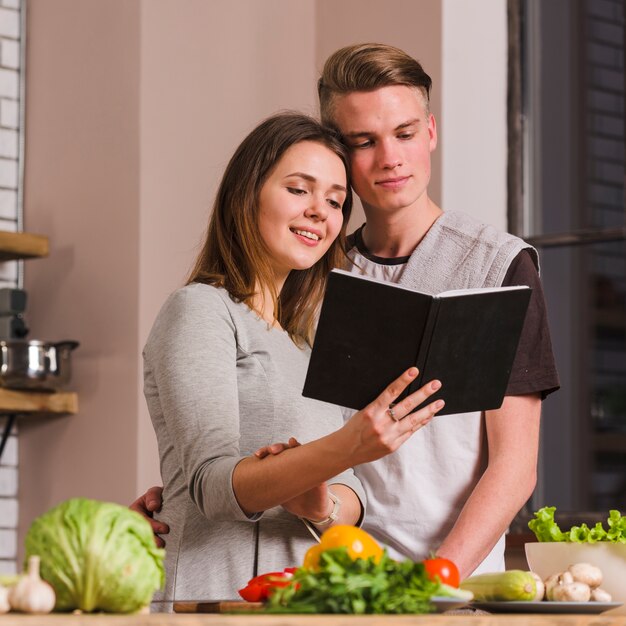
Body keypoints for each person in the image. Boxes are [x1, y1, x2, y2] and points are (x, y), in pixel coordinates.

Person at [133, 43, 560, 579]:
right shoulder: (311, 276)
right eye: (364, 142)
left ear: (430, 131)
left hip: (445, 585)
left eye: (404, 133)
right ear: (342, 154)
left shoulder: (499, 265)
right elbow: (237, 435)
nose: (390, 158)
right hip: (327, 578)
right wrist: (176, 495)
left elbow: (514, 469)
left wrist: (432, 585)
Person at [142, 111, 445, 609]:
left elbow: (352, 499)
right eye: (299, 190)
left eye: (335, 201)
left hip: (300, 607)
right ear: (248, 192)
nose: (320, 213)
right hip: (210, 605)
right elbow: (212, 488)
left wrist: (320, 503)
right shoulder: (200, 309)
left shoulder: (309, 342)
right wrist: (349, 445)